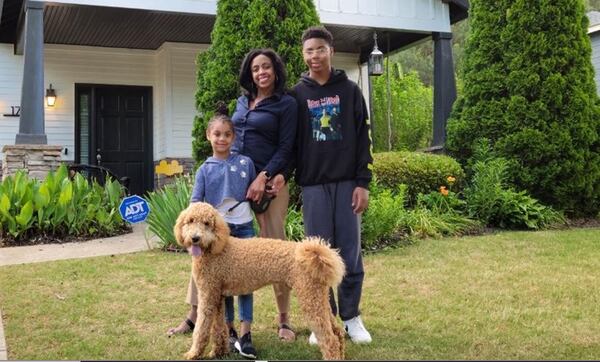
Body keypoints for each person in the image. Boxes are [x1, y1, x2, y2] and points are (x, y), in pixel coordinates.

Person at [167, 48, 298, 343]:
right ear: (249, 73)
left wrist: (267, 175)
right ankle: (193, 313)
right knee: (207, 248)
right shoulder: (242, 102)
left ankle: (284, 319)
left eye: (266, 67)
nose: (261, 73)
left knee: (275, 250)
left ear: (275, 70)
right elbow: (229, 137)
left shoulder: (286, 103)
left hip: (268, 183)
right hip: (235, 182)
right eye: (255, 69)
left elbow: (287, 146)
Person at [291, 26, 373, 344]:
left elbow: (363, 139)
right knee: (317, 257)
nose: (315, 56)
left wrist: (362, 183)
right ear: (304, 55)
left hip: (347, 183)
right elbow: (290, 142)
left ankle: (351, 317)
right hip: (313, 186)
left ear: (331, 51)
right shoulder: (297, 95)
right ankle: (322, 319)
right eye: (309, 50)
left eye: (320, 49)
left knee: (349, 254)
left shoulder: (350, 91)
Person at [179, 113, 258, 358]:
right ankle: (229, 329)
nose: (221, 139)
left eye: (226, 134)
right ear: (208, 137)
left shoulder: (245, 163)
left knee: (246, 282)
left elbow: (255, 194)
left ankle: (246, 332)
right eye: (217, 134)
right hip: (215, 233)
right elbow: (195, 202)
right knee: (219, 285)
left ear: (233, 137)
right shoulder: (204, 169)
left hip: (243, 226)